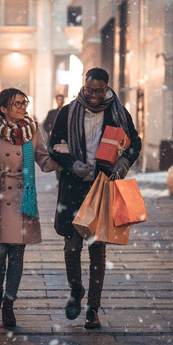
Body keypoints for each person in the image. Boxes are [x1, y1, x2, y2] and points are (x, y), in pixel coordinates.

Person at [47, 68, 142, 329]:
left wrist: (124, 160)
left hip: (102, 187)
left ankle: (93, 308)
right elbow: (53, 146)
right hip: (73, 189)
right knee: (71, 248)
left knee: (97, 250)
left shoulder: (118, 113)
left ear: (107, 88)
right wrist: (72, 164)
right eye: (89, 90)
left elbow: (135, 142)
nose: (94, 95)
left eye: (99, 90)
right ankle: (76, 291)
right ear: (83, 86)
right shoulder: (68, 112)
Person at [0, 88, 60, 327]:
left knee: (17, 255)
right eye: (17, 103)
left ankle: (9, 304)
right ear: (2, 108)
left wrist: (61, 158)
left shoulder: (32, 130)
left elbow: (43, 159)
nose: (23, 107)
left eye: (24, 102)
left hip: (23, 198)